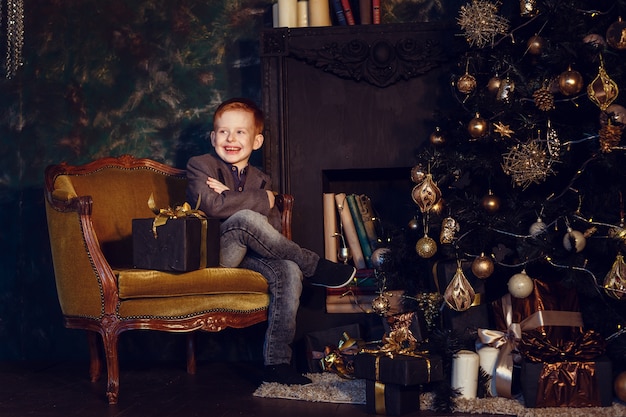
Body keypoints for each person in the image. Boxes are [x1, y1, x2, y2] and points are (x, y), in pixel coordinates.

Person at [186, 97, 356, 385]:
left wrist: (230, 196)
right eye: (224, 132)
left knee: (288, 270)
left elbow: (273, 229)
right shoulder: (199, 165)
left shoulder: (262, 179)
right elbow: (212, 207)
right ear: (213, 137)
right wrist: (258, 201)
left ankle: (277, 363)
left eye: (240, 132)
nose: (231, 138)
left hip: (250, 256)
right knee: (248, 220)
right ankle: (315, 266)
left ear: (256, 141)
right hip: (216, 253)